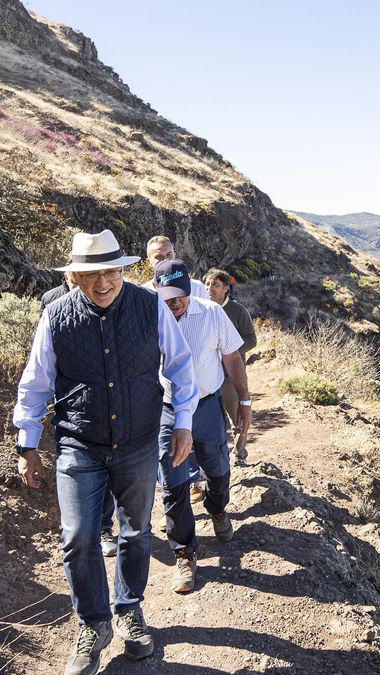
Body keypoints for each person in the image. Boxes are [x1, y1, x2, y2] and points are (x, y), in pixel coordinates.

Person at [13, 230, 197, 675]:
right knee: (78, 537)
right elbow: (36, 384)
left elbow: (180, 366)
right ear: (74, 275)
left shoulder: (149, 305)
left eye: (111, 272)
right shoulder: (56, 316)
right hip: (79, 444)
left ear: (123, 270)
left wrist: (184, 422)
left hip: (137, 442)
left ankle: (129, 610)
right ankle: (93, 624)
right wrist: (27, 443)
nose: (103, 283)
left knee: (136, 532)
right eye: (91, 274)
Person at [152, 259, 251, 594]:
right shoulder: (149, 317)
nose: (174, 301)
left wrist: (245, 402)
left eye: (179, 293)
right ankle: (184, 551)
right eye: (167, 294)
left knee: (218, 468)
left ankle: (217, 507)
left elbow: (232, 359)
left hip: (207, 407)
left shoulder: (211, 313)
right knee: (173, 482)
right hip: (166, 409)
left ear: (188, 289)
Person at [41, 272, 119, 558]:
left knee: (108, 469)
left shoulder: (110, 300)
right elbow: (45, 354)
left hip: (107, 403)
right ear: (68, 274)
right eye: (80, 275)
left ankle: (103, 526)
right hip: (71, 405)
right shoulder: (51, 302)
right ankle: (82, 529)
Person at [203, 268, 256, 464]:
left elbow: (251, 340)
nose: (210, 289)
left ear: (226, 288)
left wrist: (229, 348)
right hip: (206, 373)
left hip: (230, 376)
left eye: (215, 285)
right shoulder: (200, 308)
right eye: (207, 284)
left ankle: (240, 454)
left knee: (238, 418)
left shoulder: (237, 311)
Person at [144, 235, 209, 300]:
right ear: (149, 262)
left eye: (169, 254)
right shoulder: (144, 292)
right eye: (159, 257)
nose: (165, 259)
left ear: (175, 255)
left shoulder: (196, 287)